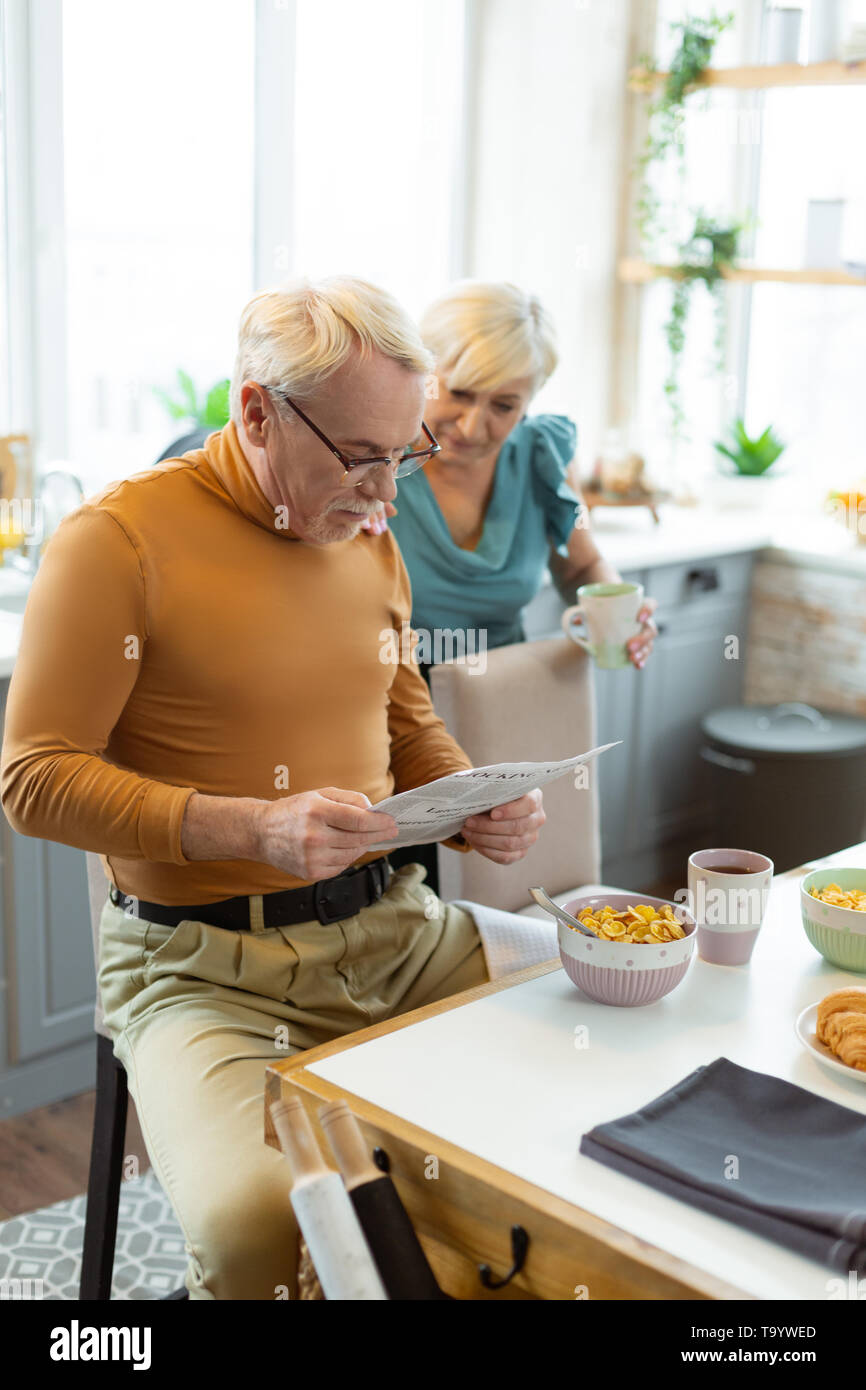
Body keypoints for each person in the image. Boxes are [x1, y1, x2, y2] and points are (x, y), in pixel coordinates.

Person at [0, 276, 547, 1300]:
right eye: (360, 458)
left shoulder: (366, 535)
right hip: (199, 973)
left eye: (403, 455)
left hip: (399, 934)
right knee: (259, 1226)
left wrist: (471, 799)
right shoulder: (114, 545)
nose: (389, 497)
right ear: (255, 409)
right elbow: (32, 782)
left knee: (598, 1045)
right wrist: (250, 823)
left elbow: (404, 720)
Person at [378, 280, 657, 887]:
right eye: (458, 393)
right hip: (388, 716)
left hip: (498, 709)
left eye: (504, 405)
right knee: (408, 891)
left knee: (501, 893)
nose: (473, 426)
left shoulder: (540, 455)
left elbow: (582, 565)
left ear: (531, 402)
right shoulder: (375, 456)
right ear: (423, 371)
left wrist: (614, 610)